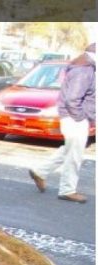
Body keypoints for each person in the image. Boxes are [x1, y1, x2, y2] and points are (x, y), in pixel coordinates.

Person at [29, 43, 95, 203]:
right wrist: (81, 118)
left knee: (70, 149)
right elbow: (73, 99)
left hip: (73, 117)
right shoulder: (84, 70)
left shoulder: (85, 67)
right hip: (75, 118)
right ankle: (67, 190)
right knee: (74, 155)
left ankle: (40, 171)